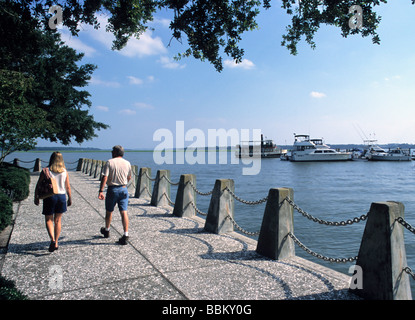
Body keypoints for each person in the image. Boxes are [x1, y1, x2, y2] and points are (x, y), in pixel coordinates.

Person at [34, 152, 72, 252]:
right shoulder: (64, 171)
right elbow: (68, 187)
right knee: (58, 220)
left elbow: (38, 185)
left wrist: (36, 197)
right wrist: (70, 198)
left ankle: (52, 239)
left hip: (49, 196)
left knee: (48, 219)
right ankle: (56, 242)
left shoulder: (46, 171)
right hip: (61, 196)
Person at [98, 145, 132, 245]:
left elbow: (105, 177)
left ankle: (107, 230)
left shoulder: (110, 162)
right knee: (124, 212)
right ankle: (125, 234)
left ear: (115, 153)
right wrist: (124, 183)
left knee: (109, 211)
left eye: (112, 151)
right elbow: (129, 177)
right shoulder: (127, 163)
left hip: (112, 189)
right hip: (123, 188)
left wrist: (101, 190)